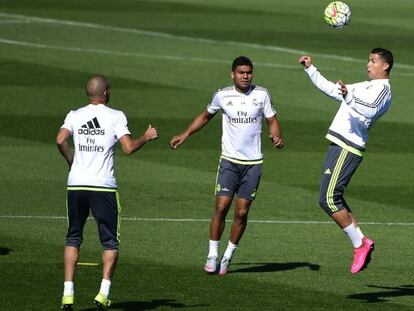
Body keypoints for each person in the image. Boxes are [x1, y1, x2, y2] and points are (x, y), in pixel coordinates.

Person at [170, 56, 284, 275]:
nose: (245, 76)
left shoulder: (262, 94)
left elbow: (272, 120)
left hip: (253, 164)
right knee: (221, 207)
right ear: (232, 74)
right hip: (229, 161)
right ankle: (212, 254)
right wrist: (185, 134)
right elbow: (205, 116)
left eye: (249, 72)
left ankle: (228, 256)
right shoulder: (222, 95)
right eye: (241, 72)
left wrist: (276, 135)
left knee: (241, 213)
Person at [56, 75, 159, 310]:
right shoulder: (115, 116)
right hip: (103, 186)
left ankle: (68, 294)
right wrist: (147, 136)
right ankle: (103, 293)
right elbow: (128, 148)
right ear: (105, 92)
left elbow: (60, 139)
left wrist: (71, 160)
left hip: (77, 185)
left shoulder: (74, 115)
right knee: (110, 242)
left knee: (73, 237)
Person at [298, 47, 393, 273]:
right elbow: (334, 90)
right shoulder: (364, 85)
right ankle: (362, 242)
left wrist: (348, 96)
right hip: (339, 144)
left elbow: (369, 110)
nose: (368, 64)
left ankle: (359, 244)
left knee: (328, 199)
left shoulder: (383, 90)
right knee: (332, 196)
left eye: (372, 61)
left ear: (385, 66)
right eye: (368, 60)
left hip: (348, 146)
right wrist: (311, 70)